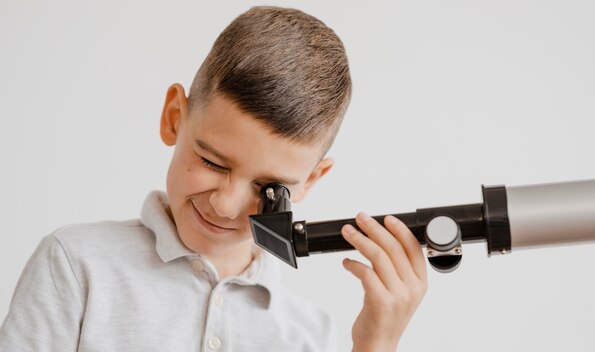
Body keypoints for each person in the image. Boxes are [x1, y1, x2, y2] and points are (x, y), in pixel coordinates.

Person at [0, 6, 428, 351]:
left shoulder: (308, 335)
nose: (226, 205)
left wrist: (376, 345)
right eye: (212, 162)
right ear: (173, 118)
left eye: (267, 188)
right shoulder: (76, 267)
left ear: (311, 180)